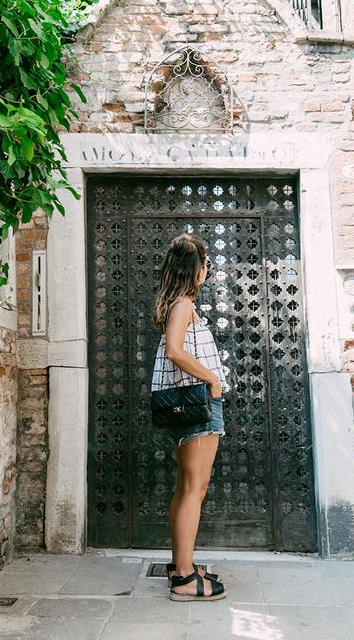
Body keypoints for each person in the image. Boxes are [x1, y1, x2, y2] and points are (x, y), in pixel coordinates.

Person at [151, 233, 229, 602]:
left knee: (186, 487)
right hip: (197, 404)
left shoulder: (179, 304)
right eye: (205, 263)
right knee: (194, 489)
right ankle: (184, 576)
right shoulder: (183, 304)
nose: (207, 270)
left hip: (189, 404)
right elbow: (175, 351)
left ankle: (181, 564)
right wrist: (212, 379)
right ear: (193, 269)